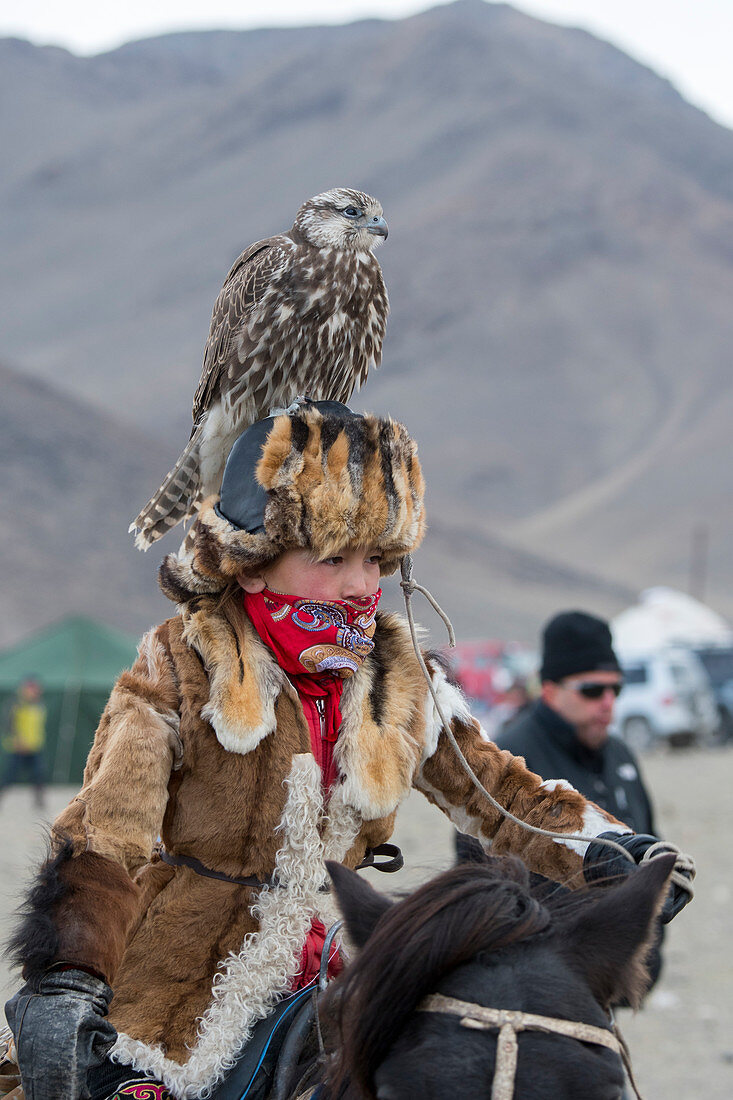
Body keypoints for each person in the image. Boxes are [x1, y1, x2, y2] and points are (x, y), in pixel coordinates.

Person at [4, 404, 691, 1100]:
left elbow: (500, 796)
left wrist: (604, 847)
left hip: (342, 962)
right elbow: (104, 833)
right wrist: (69, 976)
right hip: (179, 981)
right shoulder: (184, 661)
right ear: (250, 563)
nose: (363, 586)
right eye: (332, 558)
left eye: (377, 560)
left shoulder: (397, 675)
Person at [0, 677, 47, 808]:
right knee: (9, 775)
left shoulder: (39, 705)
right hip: (17, 747)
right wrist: (17, 741)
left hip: (34, 746)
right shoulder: (15, 704)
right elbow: (8, 725)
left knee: (39, 774)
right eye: (32, 688)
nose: (35, 691)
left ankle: (39, 801)